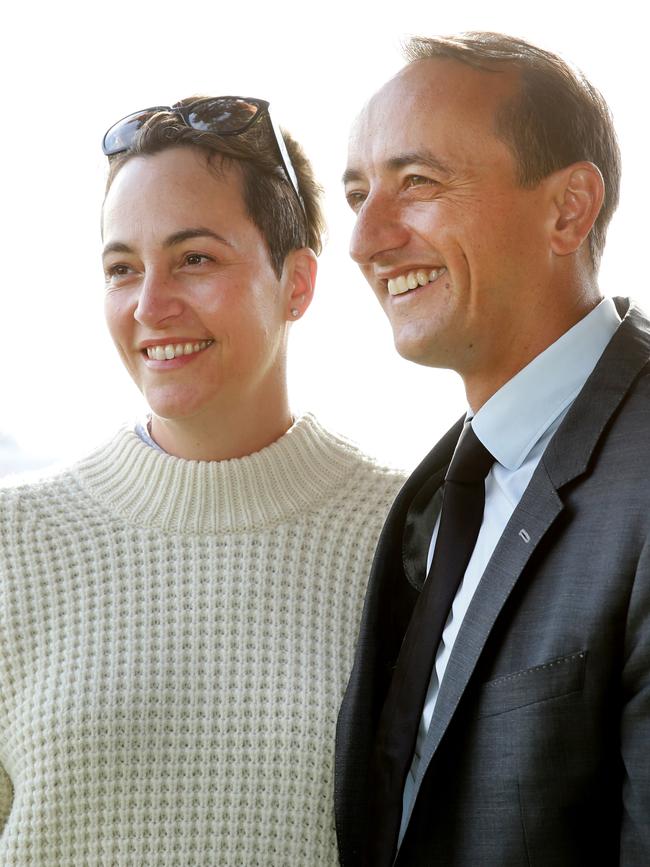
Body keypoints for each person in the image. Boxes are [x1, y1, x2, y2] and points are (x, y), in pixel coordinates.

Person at [0, 96, 405, 865]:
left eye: (195, 258)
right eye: (123, 269)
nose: (150, 306)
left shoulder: (411, 535)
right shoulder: (13, 544)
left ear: (298, 283)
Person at [334, 32, 650, 866]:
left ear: (568, 209)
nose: (365, 240)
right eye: (358, 193)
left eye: (419, 183)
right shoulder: (440, 490)